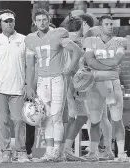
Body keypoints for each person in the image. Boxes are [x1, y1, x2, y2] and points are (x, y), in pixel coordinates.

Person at [25, 8, 82, 162]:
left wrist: (70, 69)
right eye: (39, 20)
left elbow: (77, 51)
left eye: (44, 19)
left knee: (56, 116)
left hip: (57, 78)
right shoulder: (30, 39)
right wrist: (29, 85)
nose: (42, 22)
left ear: (49, 20)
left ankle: (57, 150)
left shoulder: (58, 34)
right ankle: (49, 151)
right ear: (34, 22)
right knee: (45, 118)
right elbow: (30, 66)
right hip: (42, 81)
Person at [63, 15, 114, 161]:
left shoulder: (64, 40)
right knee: (96, 117)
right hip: (81, 84)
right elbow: (83, 66)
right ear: (82, 25)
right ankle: (100, 151)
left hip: (69, 84)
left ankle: (66, 149)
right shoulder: (82, 41)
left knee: (79, 117)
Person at [0, 9, 29, 163]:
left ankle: (21, 151)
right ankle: (5, 152)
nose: (9, 23)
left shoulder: (24, 40)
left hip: (18, 87)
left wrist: (28, 84)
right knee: (2, 120)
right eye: (6, 21)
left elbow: (29, 66)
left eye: (11, 20)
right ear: (0, 23)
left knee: (18, 120)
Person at [83, 15, 127, 162]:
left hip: (113, 84)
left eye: (111, 23)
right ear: (100, 27)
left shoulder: (119, 41)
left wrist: (98, 64)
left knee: (117, 119)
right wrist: (108, 67)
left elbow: (117, 60)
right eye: (107, 24)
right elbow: (89, 61)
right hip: (96, 84)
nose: (110, 26)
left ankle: (121, 153)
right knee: (95, 120)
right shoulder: (91, 41)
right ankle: (94, 152)